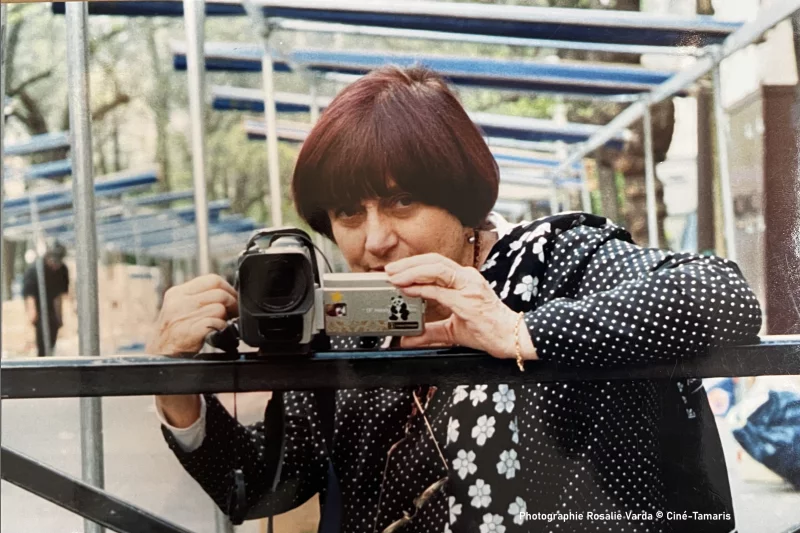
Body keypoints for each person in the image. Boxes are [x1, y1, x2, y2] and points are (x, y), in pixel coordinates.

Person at [148, 67, 762, 533]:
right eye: (346, 213)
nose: (376, 238)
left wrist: (520, 329)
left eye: (401, 202)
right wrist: (176, 389)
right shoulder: (349, 321)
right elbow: (258, 485)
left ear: (462, 197)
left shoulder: (549, 258)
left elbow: (724, 297)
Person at [23, 243, 69, 358]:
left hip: (52, 305)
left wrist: (59, 316)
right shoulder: (35, 270)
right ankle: (41, 357)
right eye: (53, 262)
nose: (55, 265)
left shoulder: (62, 270)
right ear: (47, 258)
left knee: (54, 328)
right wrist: (32, 316)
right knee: (41, 334)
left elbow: (59, 296)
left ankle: (49, 355)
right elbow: (30, 296)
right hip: (38, 304)